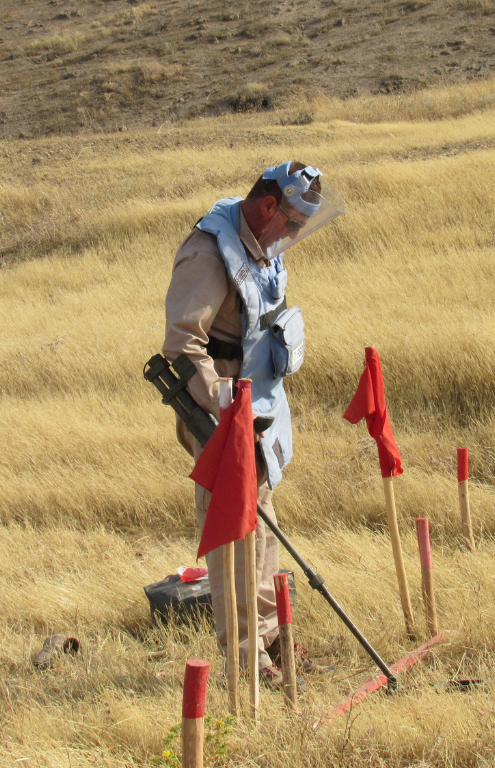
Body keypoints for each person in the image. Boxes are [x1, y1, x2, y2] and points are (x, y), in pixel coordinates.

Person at [161, 161, 343, 684]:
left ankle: (269, 640)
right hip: (225, 420)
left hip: (259, 412)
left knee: (263, 533)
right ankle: (247, 660)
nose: (293, 235)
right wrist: (223, 412)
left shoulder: (260, 244)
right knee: (234, 539)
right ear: (268, 206)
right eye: (291, 223)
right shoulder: (207, 254)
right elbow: (181, 346)